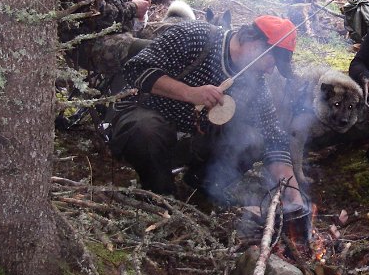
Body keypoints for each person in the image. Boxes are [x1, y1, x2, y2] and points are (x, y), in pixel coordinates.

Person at [106, 15, 303, 213]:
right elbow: (136, 68)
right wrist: (189, 93)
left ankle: (201, 186)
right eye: (271, 63)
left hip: (191, 141)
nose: (270, 71)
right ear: (256, 45)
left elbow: (273, 138)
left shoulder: (256, 85)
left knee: (252, 139)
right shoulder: (195, 36)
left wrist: (293, 192)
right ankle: (162, 199)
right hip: (142, 119)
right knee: (147, 129)